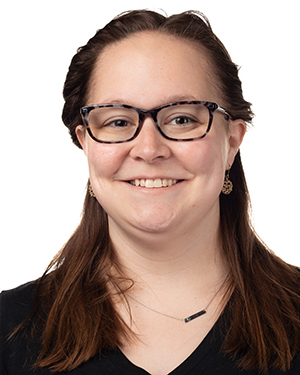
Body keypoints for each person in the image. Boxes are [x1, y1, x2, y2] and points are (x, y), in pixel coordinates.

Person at [1, 9, 300, 375]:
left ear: (232, 142)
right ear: (86, 143)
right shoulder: (8, 331)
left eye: (182, 119)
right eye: (118, 121)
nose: (148, 148)